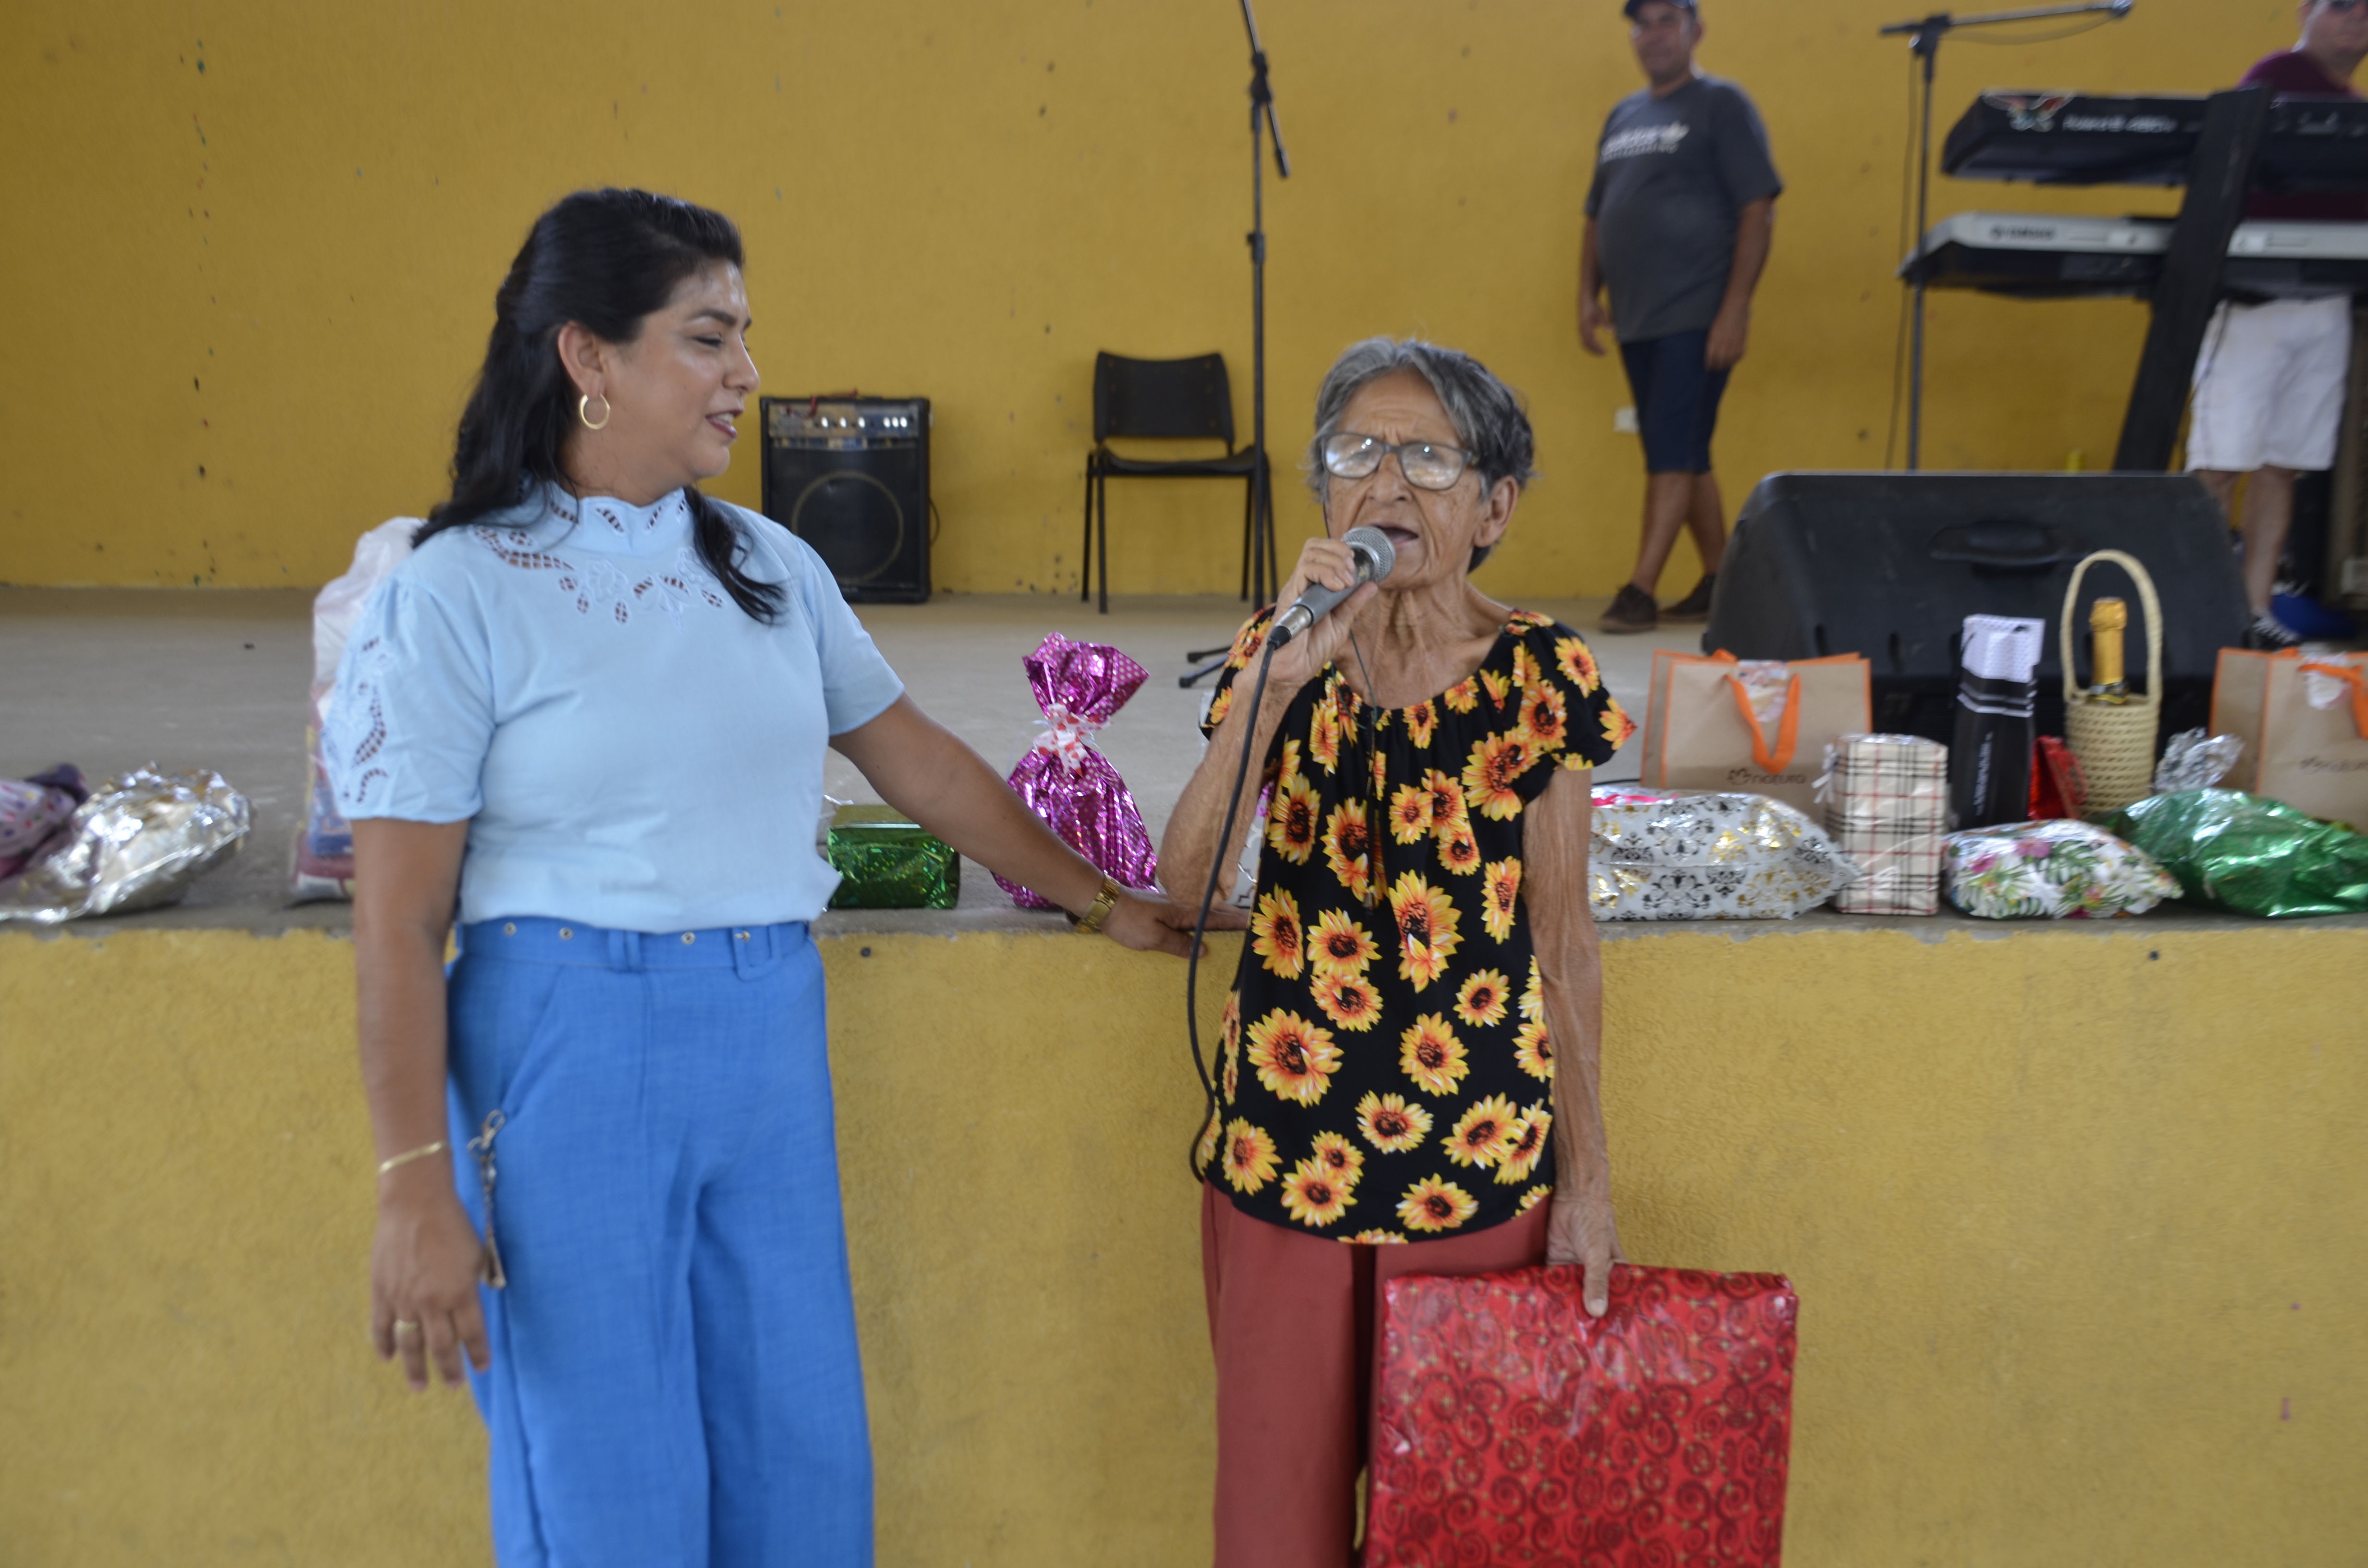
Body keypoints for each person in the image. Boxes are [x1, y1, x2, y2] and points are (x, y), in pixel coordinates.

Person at [328, 187, 1226, 1568]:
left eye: (744, 334)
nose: (746, 371)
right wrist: (410, 1187)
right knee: (610, 1489)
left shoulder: (761, 563)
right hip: (566, 1054)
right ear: (589, 358)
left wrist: (1104, 899)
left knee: (801, 1469)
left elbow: (915, 760)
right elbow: (395, 917)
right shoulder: (454, 588)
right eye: (706, 337)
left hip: (765, 1044)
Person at [1159, 338, 1637, 1568]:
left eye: (1428, 456)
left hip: (1469, 1167)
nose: (1387, 484)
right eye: (1356, 453)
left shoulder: (1541, 674)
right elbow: (1183, 878)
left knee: (1461, 1526)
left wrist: (1585, 1183)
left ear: (1493, 508)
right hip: (1285, 1157)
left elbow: (1564, 942)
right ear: (1324, 494)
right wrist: (1272, 688)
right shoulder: (1285, 644)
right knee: (1274, 1524)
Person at [1579, 0, 1781, 636]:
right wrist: (1587, 295)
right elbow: (1597, 214)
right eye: (1643, 23)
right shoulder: (1622, 116)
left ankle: (1640, 590)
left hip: (1696, 313)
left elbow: (1757, 210)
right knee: (1684, 450)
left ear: (1696, 29)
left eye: (1668, 19)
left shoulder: (1722, 105)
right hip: (1637, 318)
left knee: (1669, 451)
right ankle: (1723, 579)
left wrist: (1735, 309)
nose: (1654, 34)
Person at [2190, 0, 2368, 648]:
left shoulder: (2353, 102)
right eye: (2343, 6)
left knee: (2282, 465)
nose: (2358, 19)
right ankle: (2198, 610)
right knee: (2219, 462)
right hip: (2255, 299)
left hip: (2326, 304)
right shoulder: (2277, 77)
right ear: (2307, 12)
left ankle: (2256, 609)